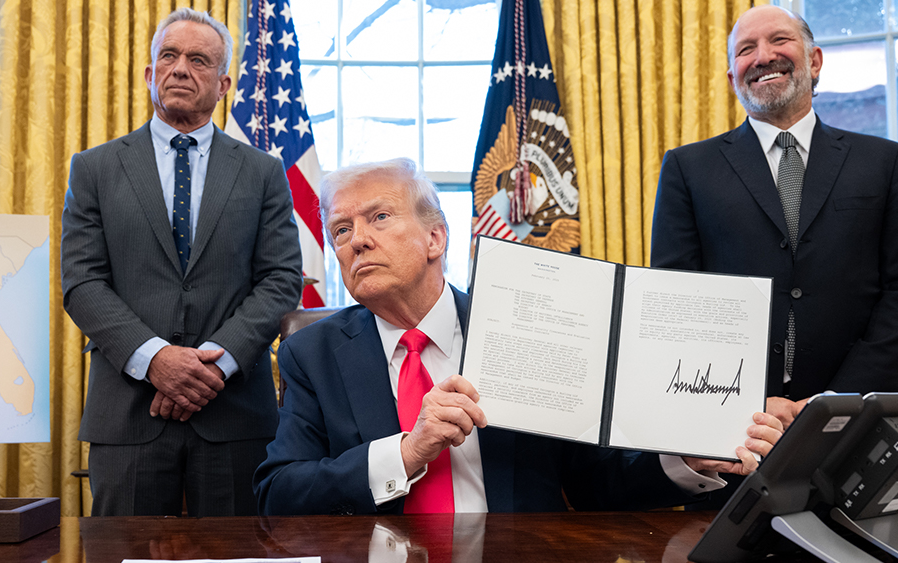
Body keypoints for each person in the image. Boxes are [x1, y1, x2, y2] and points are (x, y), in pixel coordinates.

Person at [254, 158, 783, 515]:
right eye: (341, 230)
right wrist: (408, 452)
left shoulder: (528, 327)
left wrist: (686, 459)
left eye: (380, 217)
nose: (357, 241)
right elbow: (278, 492)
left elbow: (594, 481)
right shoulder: (311, 352)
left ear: (435, 238)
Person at [60, 8, 302, 516]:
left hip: (234, 413)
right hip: (129, 411)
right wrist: (156, 361)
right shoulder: (94, 168)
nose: (180, 69)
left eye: (199, 60)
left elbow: (281, 280)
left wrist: (213, 364)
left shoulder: (264, 172)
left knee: (240, 552)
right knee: (121, 551)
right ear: (150, 73)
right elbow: (82, 282)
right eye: (168, 56)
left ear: (223, 84)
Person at [651, 5, 898, 430]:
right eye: (746, 49)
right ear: (733, 78)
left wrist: (835, 402)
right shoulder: (687, 169)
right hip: (736, 425)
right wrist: (742, 400)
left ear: (815, 61)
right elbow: (678, 305)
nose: (763, 56)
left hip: (860, 420)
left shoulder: (884, 162)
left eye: (779, 40)